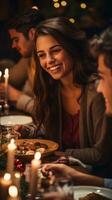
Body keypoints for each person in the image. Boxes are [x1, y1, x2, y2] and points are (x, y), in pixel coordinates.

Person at [33, 17, 112, 178]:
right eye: (42, 55)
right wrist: (28, 130)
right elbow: (46, 133)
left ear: (72, 48)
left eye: (55, 50)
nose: (48, 60)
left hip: (94, 181)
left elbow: (101, 154)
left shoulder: (97, 92)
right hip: (61, 174)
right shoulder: (50, 89)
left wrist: (61, 154)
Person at [6, 7, 45, 114]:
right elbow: (11, 79)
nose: (13, 45)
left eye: (16, 40)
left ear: (32, 34)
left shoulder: (49, 64)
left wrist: (18, 97)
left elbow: (49, 112)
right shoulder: (29, 58)